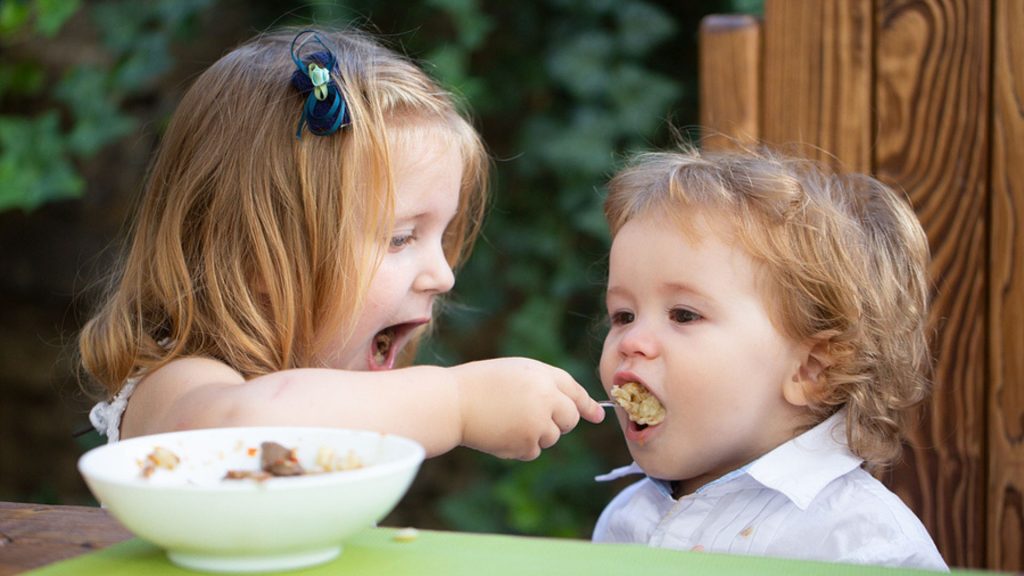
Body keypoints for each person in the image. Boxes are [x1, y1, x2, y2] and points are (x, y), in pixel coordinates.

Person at [79, 27, 604, 460]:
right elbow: (232, 430)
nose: (443, 276)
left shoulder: (332, 398)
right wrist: (455, 402)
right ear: (257, 259)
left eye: (443, 236)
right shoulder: (182, 386)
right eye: (401, 238)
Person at [592, 145, 947, 570]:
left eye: (684, 315)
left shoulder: (859, 543)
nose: (632, 341)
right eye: (623, 315)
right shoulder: (624, 521)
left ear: (810, 369)